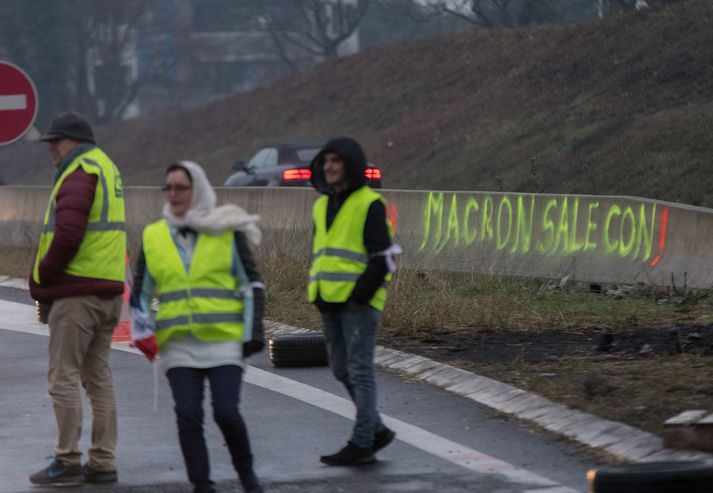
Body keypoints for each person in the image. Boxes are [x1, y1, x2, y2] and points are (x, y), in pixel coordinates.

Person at [131, 161, 265, 493]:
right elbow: (141, 294)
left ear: (198, 190)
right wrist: (142, 331)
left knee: (226, 413)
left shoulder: (227, 230)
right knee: (188, 417)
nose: (173, 194)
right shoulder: (153, 235)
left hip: (224, 342)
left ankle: (247, 476)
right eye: (169, 188)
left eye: (181, 187)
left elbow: (251, 286)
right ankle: (201, 485)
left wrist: (253, 333)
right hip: (178, 346)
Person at [29, 112, 126, 486]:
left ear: (76, 141)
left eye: (57, 140)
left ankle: (67, 459)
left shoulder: (80, 171)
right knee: (98, 378)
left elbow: (68, 234)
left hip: (77, 295)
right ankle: (103, 461)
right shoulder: (107, 168)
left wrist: (43, 276)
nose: (52, 147)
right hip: (106, 291)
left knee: (63, 376)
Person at [308, 137, 401, 466]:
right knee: (341, 369)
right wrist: (317, 292)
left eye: (336, 160)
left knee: (360, 371)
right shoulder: (321, 205)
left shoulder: (368, 203)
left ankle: (363, 441)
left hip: (358, 305)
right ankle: (376, 429)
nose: (329, 166)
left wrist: (360, 296)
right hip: (329, 302)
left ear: (351, 164)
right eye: (325, 160)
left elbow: (384, 256)